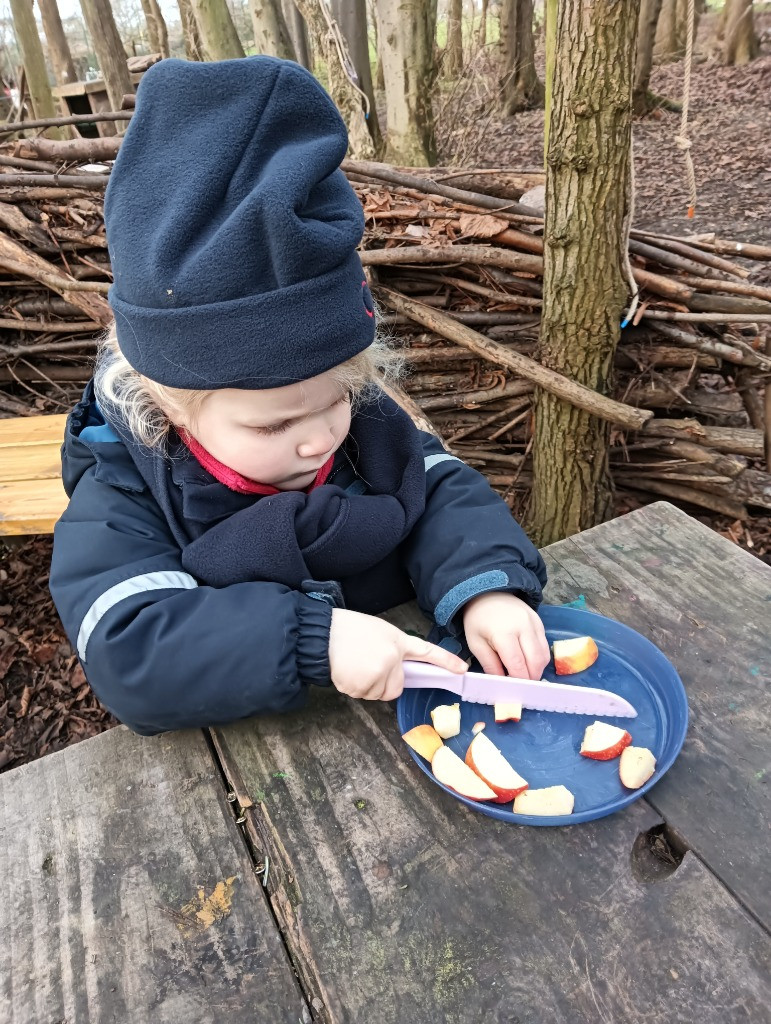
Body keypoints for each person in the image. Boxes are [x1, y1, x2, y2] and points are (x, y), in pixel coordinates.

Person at [49, 56, 549, 737]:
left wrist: (483, 584)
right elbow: (126, 644)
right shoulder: (126, 489)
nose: (321, 438)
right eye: (274, 425)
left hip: (433, 706)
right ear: (170, 405)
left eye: (339, 396)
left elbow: (442, 490)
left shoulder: (361, 428)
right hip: (269, 764)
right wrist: (309, 640)